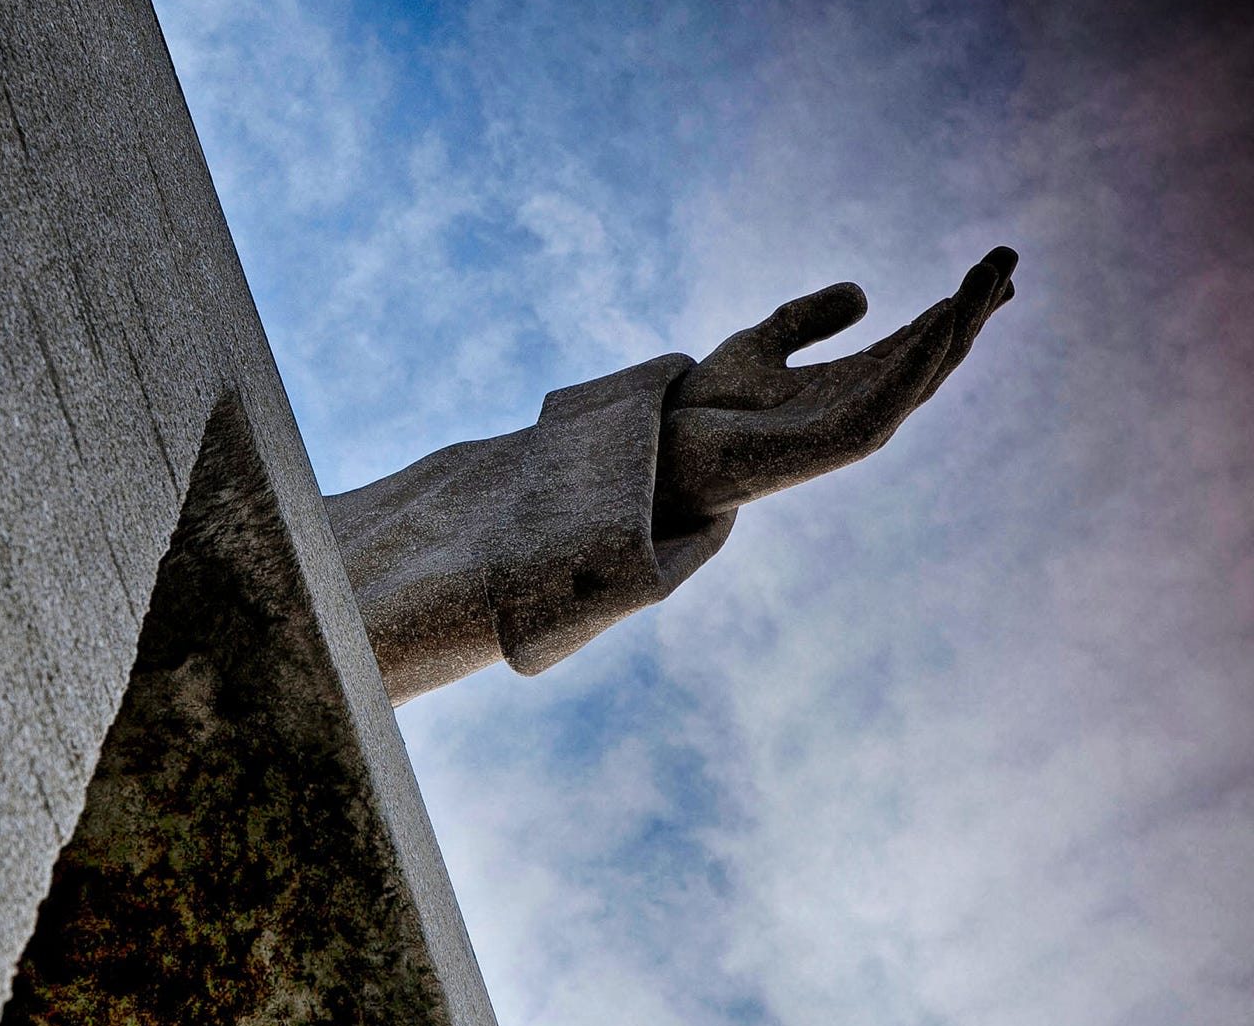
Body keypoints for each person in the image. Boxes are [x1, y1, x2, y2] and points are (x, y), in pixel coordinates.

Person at [327, 247, 1018, 703]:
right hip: (400, 525)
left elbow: (345, 655)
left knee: (339, 644)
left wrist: (657, 468)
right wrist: (662, 443)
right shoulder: (441, 514)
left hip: (420, 557)